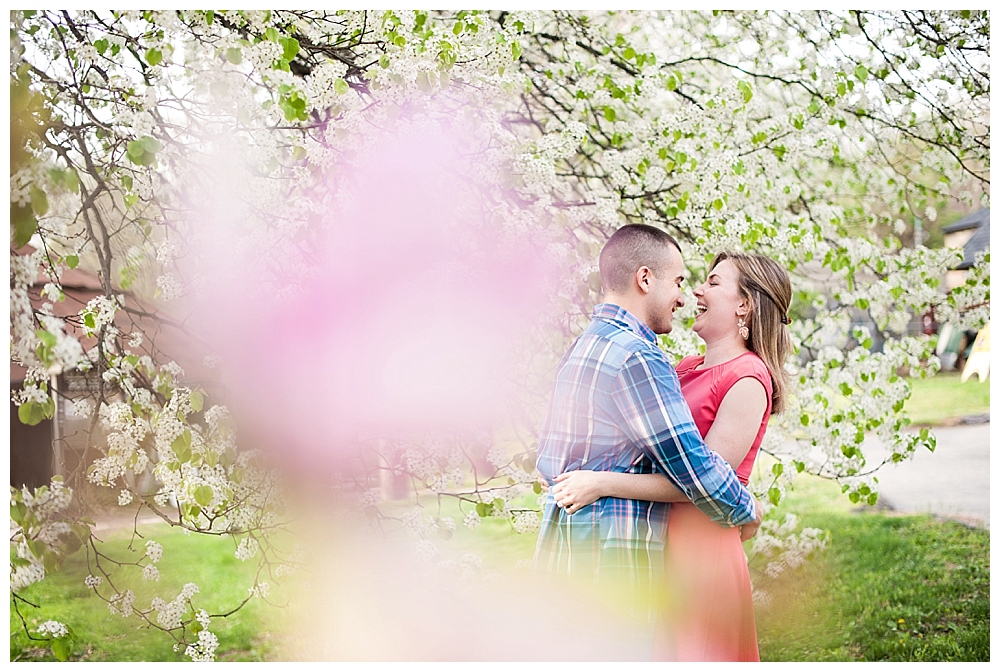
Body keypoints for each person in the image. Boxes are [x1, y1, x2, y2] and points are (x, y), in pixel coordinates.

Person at [551, 250, 793, 661]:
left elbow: (701, 482)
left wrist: (600, 482)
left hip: (701, 549)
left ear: (744, 304)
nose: (696, 290)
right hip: (656, 538)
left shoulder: (748, 379)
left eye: (714, 283)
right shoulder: (683, 368)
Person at [532, 225, 761, 610]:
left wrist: (598, 479)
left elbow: (547, 459)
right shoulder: (637, 355)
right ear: (644, 279)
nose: (683, 298)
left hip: (566, 545)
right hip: (610, 553)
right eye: (677, 282)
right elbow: (693, 466)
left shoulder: (586, 343)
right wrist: (746, 507)